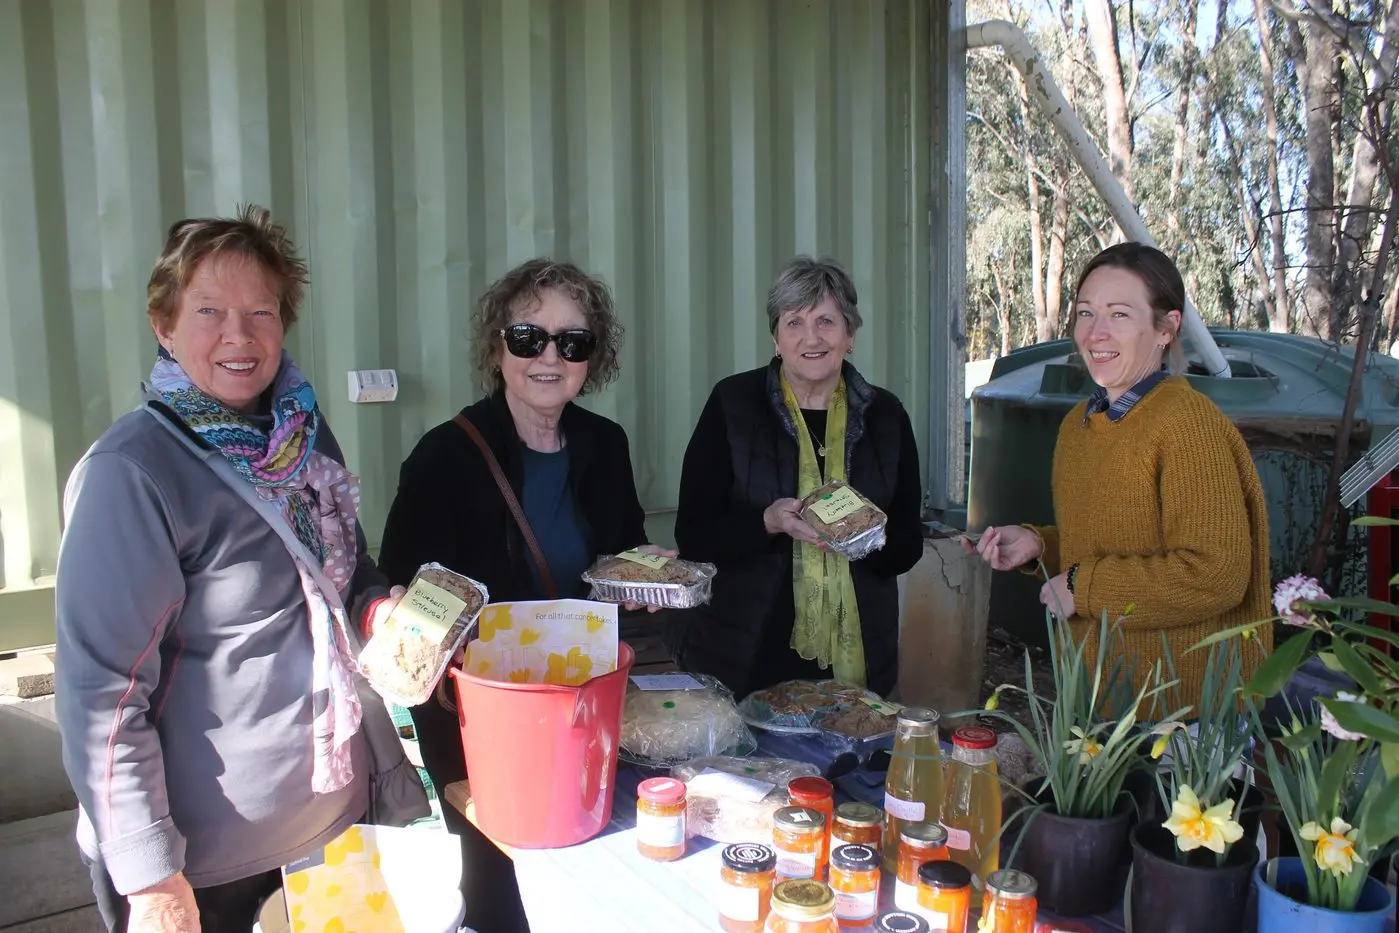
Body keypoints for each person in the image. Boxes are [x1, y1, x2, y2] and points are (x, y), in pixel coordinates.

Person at [54, 206, 422, 933]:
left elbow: (344, 574)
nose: (238, 334)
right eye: (209, 311)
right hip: (208, 868)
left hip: (333, 824)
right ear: (163, 325)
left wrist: (382, 611)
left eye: (261, 311)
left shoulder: (303, 437)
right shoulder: (131, 473)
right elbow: (101, 697)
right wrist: (153, 878)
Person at [378, 258, 663, 932]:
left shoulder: (604, 443)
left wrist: (645, 574)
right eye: (529, 336)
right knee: (499, 878)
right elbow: (404, 594)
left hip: (579, 695)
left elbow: (616, 552)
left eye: (573, 341)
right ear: (496, 345)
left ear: (593, 356)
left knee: (586, 860)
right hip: (485, 711)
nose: (549, 356)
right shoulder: (444, 456)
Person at [963, 242, 1272, 703]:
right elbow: (1114, 544)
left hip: (1182, 712)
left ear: (1167, 327)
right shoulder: (1080, 425)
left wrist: (1080, 587)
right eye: (1086, 313)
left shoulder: (1187, 423)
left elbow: (1216, 575)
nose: (1095, 333)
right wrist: (1040, 545)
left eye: (1120, 315)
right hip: (1099, 693)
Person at [670, 256, 925, 698]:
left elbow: (907, 545)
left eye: (826, 321)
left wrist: (862, 536)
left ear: (850, 335)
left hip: (857, 658)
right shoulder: (733, 405)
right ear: (776, 337)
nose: (812, 337)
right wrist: (766, 522)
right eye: (795, 322)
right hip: (744, 654)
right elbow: (694, 534)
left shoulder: (887, 416)